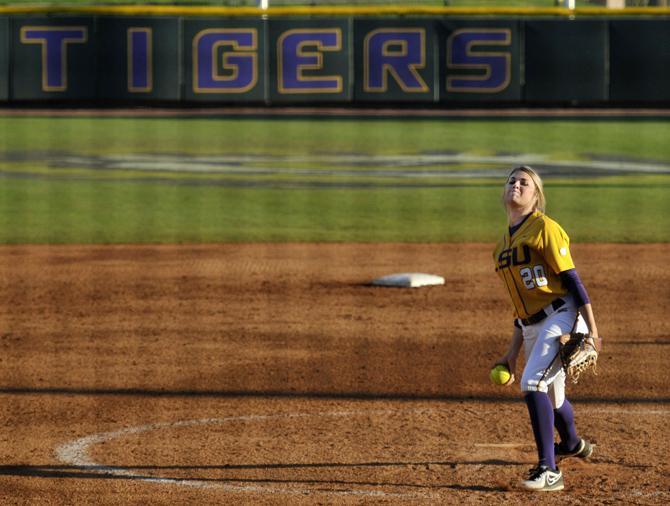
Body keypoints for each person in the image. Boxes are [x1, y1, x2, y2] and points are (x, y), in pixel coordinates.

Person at [493, 166, 602, 492]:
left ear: (536, 196)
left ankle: (548, 471)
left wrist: (593, 332)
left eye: (524, 183)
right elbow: (521, 309)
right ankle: (571, 444)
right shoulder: (500, 250)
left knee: (533, 382)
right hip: (531, 326)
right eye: (512, 181)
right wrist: (511, 355)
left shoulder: (545, 229)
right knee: (554, 396)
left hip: (562, 315)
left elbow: (573, 281)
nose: (516, 185)